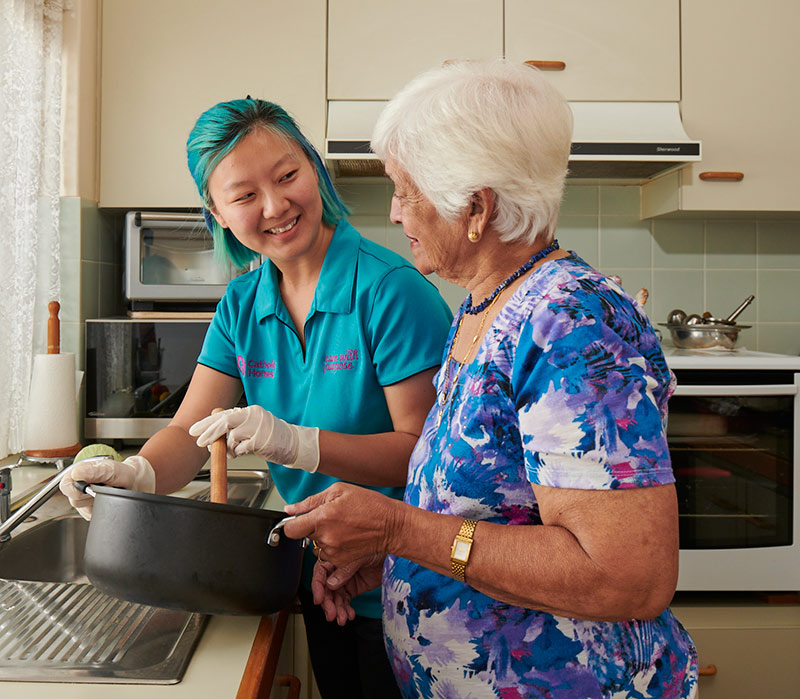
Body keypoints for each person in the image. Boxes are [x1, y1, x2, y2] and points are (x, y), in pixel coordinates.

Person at [281, 60, 699, 698]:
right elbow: (491, 511)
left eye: (404, 190)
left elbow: (626, 577)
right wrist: (397, 557)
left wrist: (401, 530)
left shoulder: (568, 321)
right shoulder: (486, 305)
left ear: (476, 207)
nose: (394, 214)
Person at [60, 97, 453, 699]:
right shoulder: (242, 305)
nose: (275, 206)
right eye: (244, 196)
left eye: (288, 175)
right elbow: (191, 432)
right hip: (319, 574)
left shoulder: (390, 290)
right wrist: (134, 475)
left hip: (405, 582)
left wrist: (296, 444)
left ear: (314, 168)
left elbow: (423, 455)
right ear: (216, 213)